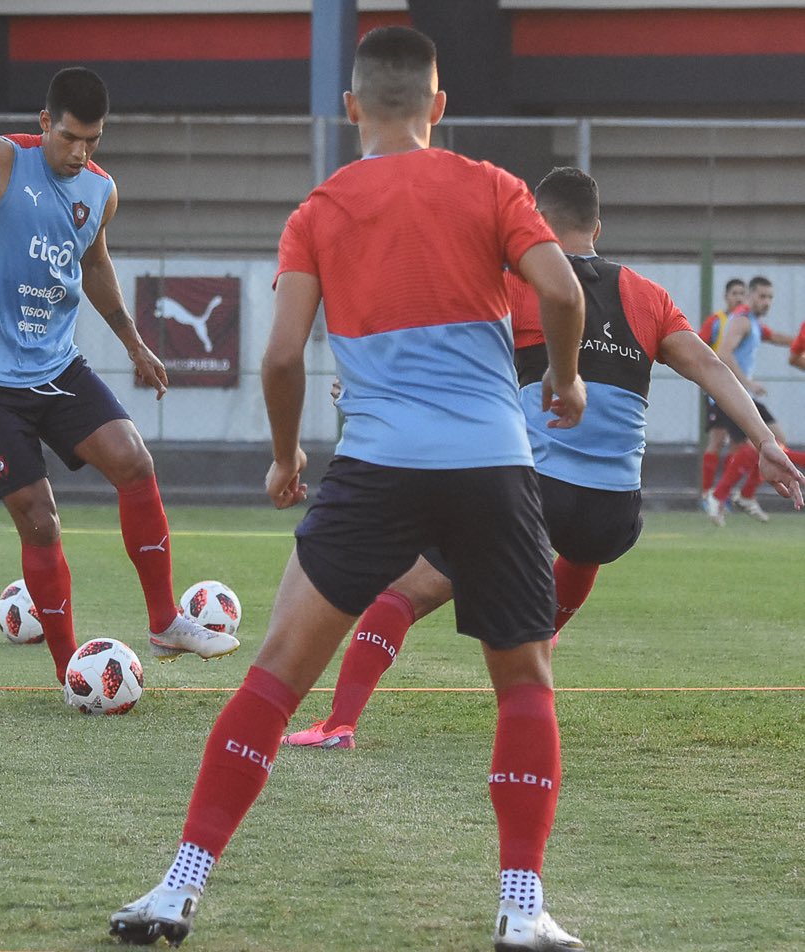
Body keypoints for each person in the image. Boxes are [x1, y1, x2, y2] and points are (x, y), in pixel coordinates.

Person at [110, 27, 589, 951]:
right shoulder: (492, 186)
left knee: (277, 678)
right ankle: (523, 908)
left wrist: (287, 457)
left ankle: (179, 888)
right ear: (438, 108)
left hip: (377, 470)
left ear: (352, 109)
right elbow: (561, 292)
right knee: (524, 685)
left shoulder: (320, 209)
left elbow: (283, 354)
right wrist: (563, 381)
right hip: (493, 466)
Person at [281, 168, 803, 753]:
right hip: (615, 517)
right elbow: (710, 367)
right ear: (597, 227)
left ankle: (339, 724)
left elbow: (445, 356)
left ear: (535, 222)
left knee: (401, 594)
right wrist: (764, 442)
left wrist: (366, 390)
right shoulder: (647, 295)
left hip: (533, 498)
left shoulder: (523, 286)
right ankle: (532, 672)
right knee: (579, 554)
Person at [0, 66, 238, 684]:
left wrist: (136, 344)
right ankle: (71, 674)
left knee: (134, 461)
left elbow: (96, 265)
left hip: (57, 368)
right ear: (44, 123)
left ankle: (165, 621)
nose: (79, 152)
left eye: (92, 140)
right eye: (69, 138)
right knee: (40, 517)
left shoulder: (101, 191)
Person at [704, 275, 801, 524]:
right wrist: (747, 383)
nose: (767, 302)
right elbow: (723, 353)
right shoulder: (742, 321)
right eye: (762, 296)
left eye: (770, 298)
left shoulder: (754, 323)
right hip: (733, 394)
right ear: (750, 296)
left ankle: (744, 495)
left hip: (742, 394)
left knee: (777, 442)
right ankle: (718, 495)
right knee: (757, 445)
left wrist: (799, 341)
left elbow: (780, 339)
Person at [697, 277, 745, 507]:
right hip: (718, 391)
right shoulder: (717, 321)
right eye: (734, 293)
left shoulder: (747, 323)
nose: (738, 297)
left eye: (741, 294)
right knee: (716, 440)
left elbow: (771, 335)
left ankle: (722, 495)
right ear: (726, 297)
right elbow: (698, 345)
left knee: (737, 444)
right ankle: (707, 495)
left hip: (740, 393)